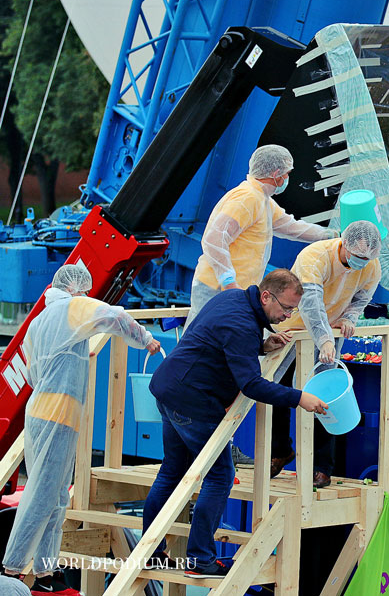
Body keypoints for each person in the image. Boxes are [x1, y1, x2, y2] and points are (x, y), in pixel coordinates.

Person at [143, 269, 327, 578]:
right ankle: (200, 560)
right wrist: (299, 398)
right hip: (191, 401)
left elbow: (220, 339)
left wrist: (261, 346)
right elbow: (252, 384)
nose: (287, 315)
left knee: (172, 471)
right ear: (266, 296)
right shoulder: (243, 323)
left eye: (293, 310)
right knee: (219, 476)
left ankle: (150, 553)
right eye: (285, 308)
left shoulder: (234, 299)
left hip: (169, 388)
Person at [2, 265, 160, 595]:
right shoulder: (73, 307)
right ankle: (12, 567)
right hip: (60, 413)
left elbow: (30, 376)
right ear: (77, 289)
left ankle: (45, 574)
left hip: (41, 410)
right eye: (85, 291)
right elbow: (115, 316)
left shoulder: (40, 321)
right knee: (44, 493)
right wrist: (146, 340)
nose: (87, 295)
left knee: (57, 496)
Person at [269, 221, 383, 488]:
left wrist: (350, 317)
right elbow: (310, 304)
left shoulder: (370, 266)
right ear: (344, 244)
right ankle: (279, 451)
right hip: (290, 329)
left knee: (323, 396)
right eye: (357, 257)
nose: (361, 263)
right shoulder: (315, 257)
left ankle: (321, 467)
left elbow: (361, 298)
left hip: (329, 333)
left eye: (366, 259)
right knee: (277, 390)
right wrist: (324, 339)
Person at [185, 145, 334, 328]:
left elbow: (291, 227)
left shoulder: (262, 200)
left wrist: (331, 235)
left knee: (222, 345)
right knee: (202, 345)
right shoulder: (247, 198)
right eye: (287, 173)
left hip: (235, 291)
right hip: (218, 288)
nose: (287, 178)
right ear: (277, 173)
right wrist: (228, 281)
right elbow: (214, 238)